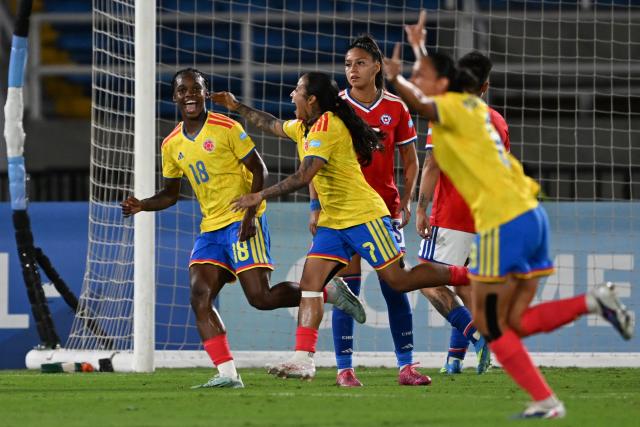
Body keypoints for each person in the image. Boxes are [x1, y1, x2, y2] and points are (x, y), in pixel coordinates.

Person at [384, 49, 634, 418]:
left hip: (504, 221)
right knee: (512, 322)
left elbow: (423, 104)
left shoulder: (454, 109)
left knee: (493, 327)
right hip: (531, 216)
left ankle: (531, 377)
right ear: (485, 85)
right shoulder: (488, 117)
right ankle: (592, 307)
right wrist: (420, 56)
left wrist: (396, 78)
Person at [213, 71, 470, 381]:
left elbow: (303, 177)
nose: (291, 95)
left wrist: (258, 196)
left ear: (311, 100)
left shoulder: (327, 127)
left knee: (398, 281)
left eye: (297, 90)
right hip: (333, 222)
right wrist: (237, 106)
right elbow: (271, 124)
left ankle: (467, 275)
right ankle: (304, 359)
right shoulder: (303, 126)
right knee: (311, 284)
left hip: (363, 216)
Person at [121, 68, 366, 389]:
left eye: (196, 89)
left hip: (242, 221)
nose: (190, 95)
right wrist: (142, 204)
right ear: (175, 97)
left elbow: (258, 169)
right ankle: (227, 374)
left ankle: (328, 291)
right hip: (210, 229)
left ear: (205, 93)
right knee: (199, 296)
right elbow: (170, 193)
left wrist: (250, 216)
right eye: (183, 91)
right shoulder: (171, 144)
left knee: (260, 298)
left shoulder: (226, 127)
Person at [310, 35, 429, 387]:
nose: (352, 70)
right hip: (343, 212)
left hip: (384, 211)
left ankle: (406, 366)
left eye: (359, 63)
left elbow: (410, 160)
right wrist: (315, 206)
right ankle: (344, 368)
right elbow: (314, 160)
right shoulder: (335, 110)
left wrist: (407, 201)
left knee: (395, 286)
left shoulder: (397, 108)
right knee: (347, 291)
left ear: (377, 65)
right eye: (348, 64)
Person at [405, 11, 504, 375]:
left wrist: (420, 208)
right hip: (487, 218)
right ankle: (454, 361)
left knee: (429, 283)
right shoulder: (498, 121)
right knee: (463, 284)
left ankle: (477, 334)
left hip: (452, 215)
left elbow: (432, 165)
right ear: (486, 86)